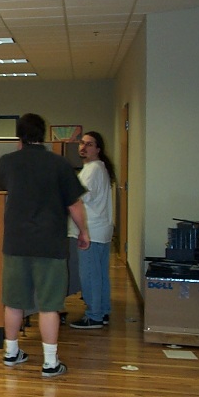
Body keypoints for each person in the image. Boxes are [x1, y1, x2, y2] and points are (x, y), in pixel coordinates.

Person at [0, 113, 89, 379]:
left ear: (19, 136)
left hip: (16, 243)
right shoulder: (59, 164)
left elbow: (1, 183)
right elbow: (74, 204)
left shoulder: (7, 162)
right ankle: (49, 363)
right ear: (43, 134)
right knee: (49, 305)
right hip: (49, 244)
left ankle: (11, 353)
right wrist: (83, 232)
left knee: (13, 302)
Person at [68, 131, 115, 329]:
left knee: (90, 276)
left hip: (91, 231)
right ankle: (102, 312)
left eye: (89, 144)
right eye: (82, 143)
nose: (83, 147)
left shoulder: (93, 169)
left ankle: (94, 316)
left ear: (98, 149)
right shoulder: (98, 167)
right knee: (100, 275)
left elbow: (79, 197)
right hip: (100, 230)